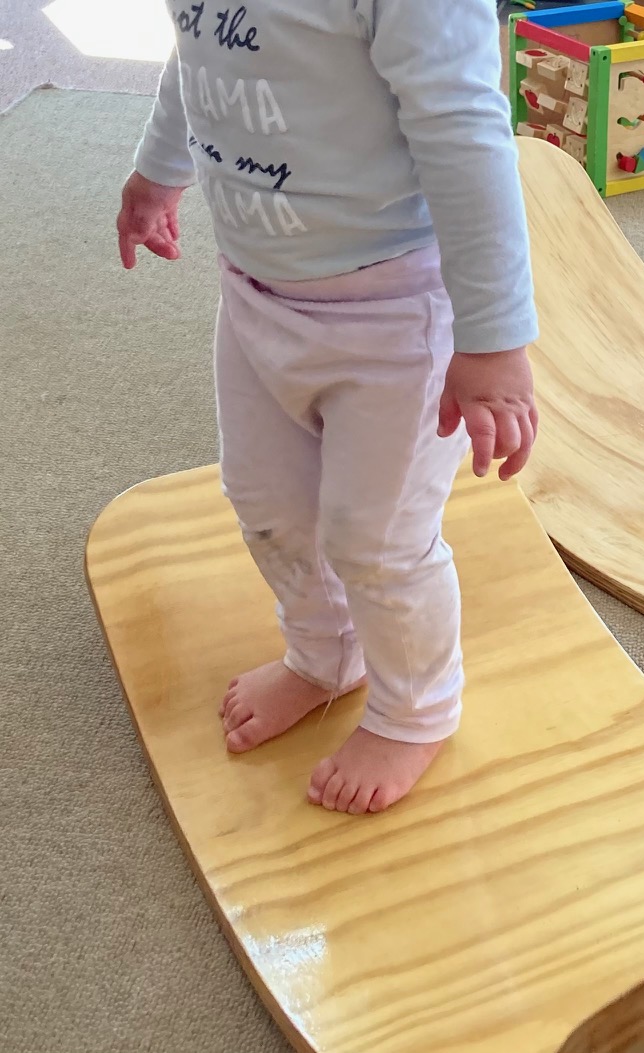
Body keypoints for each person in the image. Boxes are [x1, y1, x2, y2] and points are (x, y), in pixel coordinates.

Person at [116, 0, 539, 815]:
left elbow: (463, 127)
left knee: (375, 538)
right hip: (255, 293)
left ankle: (415, 711)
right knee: (266, 501)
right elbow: (202, 49)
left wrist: (493, 342)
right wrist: (158, 169)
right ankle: (325, 653)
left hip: (395, 316)